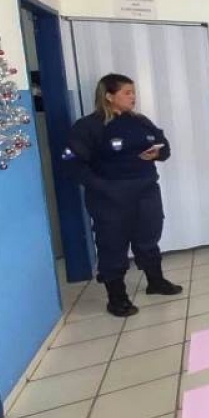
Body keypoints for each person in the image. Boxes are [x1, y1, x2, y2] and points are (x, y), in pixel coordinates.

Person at [63, 73, 182, 317]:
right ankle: (117, 298)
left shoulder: (140, 121)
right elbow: (71, 164)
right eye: (127, 92)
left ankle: (155, 282)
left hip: (146, 190)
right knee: (112, 245)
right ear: (109, 96)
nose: (133, 97)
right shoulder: (89, 126)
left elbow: (165, 147)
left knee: (149, 237)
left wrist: (157, 154)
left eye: (133, 92)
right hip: (109, 197)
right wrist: (103, 187)